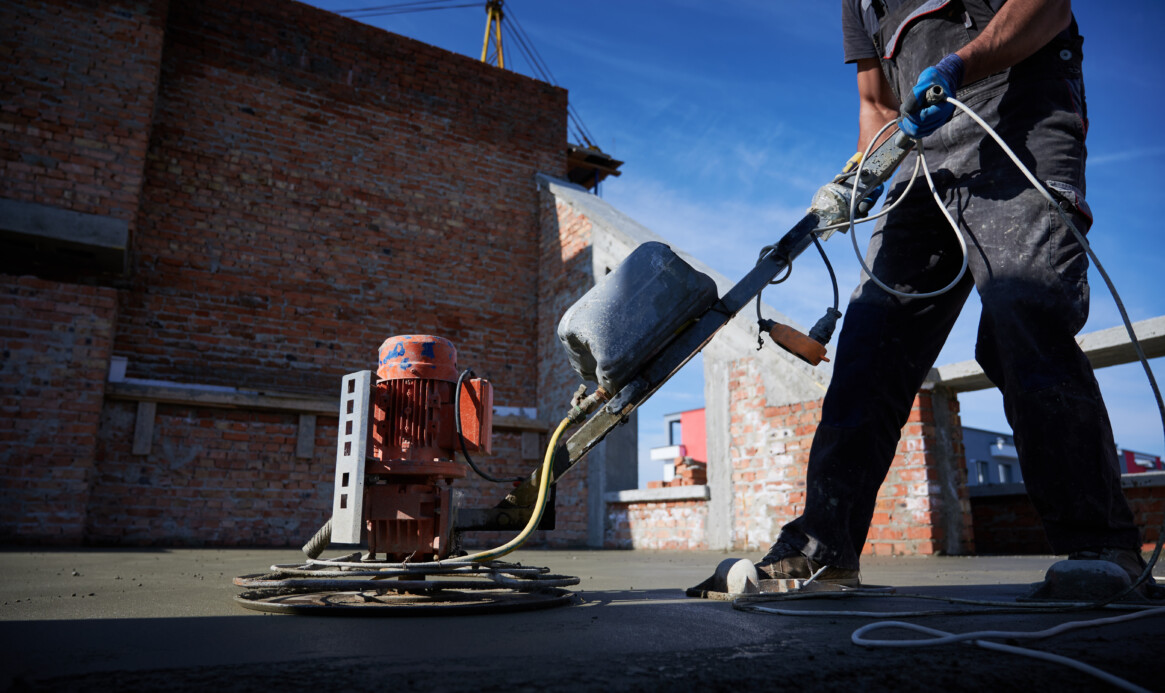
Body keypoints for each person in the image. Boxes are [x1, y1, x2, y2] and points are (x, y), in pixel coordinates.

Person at [756, 0, 1155, 594]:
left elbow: (1048, 7)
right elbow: (877, 105)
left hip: (1019, 120)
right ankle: (822, 549)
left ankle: (1100, 547)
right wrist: (863, 176)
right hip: (923, 159)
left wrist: (959, 65)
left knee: (1023, 315)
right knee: (871, 343)